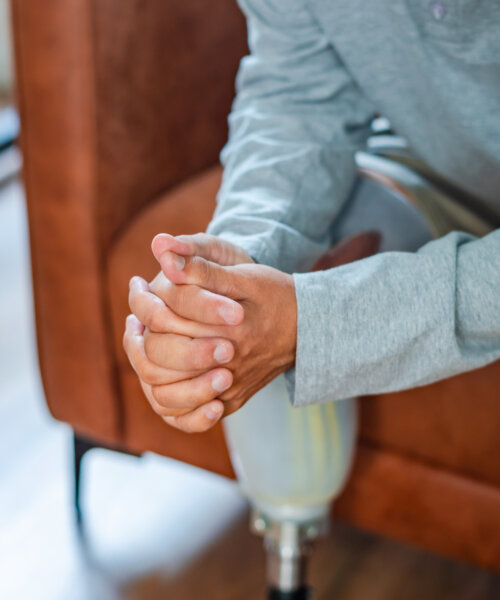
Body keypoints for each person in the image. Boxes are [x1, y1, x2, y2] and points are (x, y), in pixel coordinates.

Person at [123, 0, 500, 433]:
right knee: (237, 316)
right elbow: (298, 89)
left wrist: (314, 324)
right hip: (433, 163)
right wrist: (235, 268)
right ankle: (293, 503)